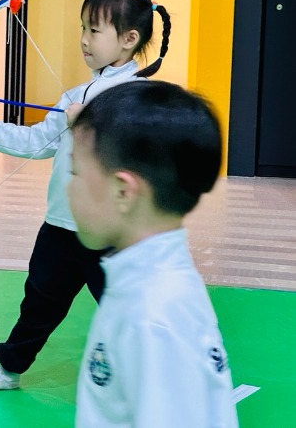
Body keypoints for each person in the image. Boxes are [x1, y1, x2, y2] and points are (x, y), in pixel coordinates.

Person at [0, 0, 172, 393]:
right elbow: (39, 142)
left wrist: (90, 124)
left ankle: (161, 380)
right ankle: (8, 371)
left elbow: (137, 150)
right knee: (38, 303)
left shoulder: (139, 96)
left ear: (129, 39)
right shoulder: (77, 95)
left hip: (110, 230)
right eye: (83, 29)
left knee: (127, 308)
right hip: (61, 223)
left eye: (94, 31)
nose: (84, 40)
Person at [68, 80, 237, 426]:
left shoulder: (153, 316)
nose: (68, 189)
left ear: (123, 192)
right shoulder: (147, 289)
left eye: (76, 174)